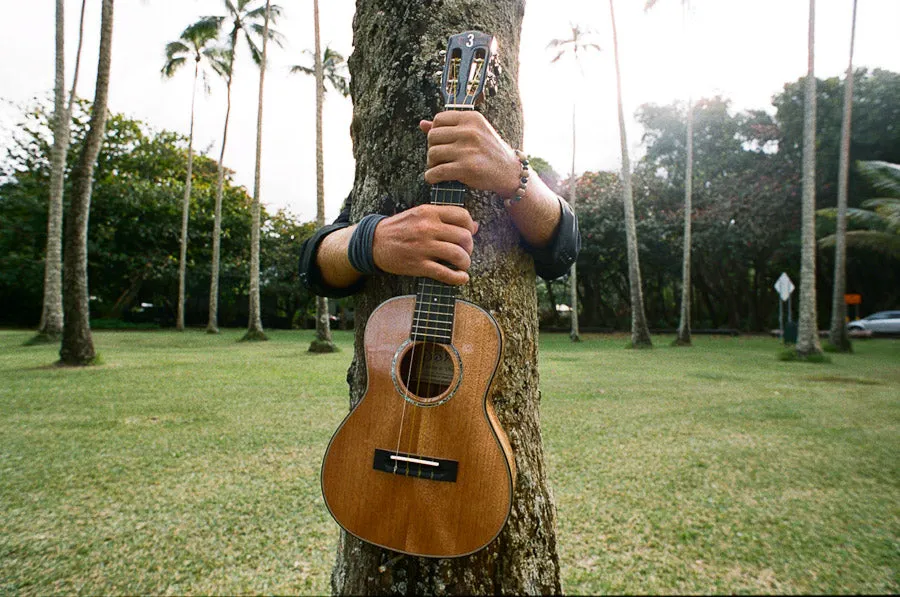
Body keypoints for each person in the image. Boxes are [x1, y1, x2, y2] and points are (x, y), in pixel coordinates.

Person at [299, 110, 579, 299]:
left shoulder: (505, 159)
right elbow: (314, 265)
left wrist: (515, 173)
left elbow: (563, 249)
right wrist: (370, 240)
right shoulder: (379, 176)